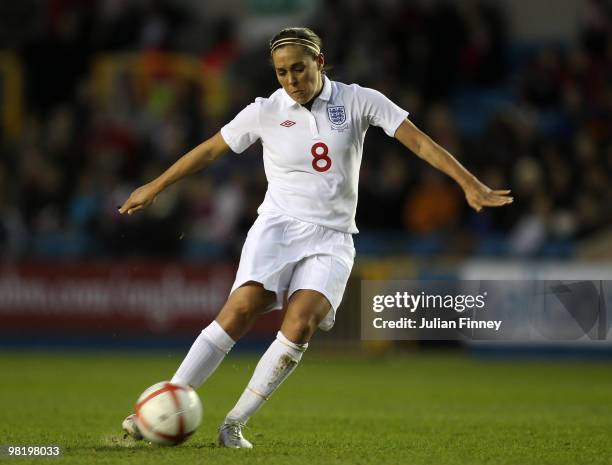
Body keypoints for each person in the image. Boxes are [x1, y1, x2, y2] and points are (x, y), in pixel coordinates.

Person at [119, 27, 513, 448]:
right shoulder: (265, 110)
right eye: (282, 72)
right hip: (278, 226)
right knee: (242, 307)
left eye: (299, 69)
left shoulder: (360, 100)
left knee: (301, 324)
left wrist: (468, 183)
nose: (291, 80)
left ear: (320, 63)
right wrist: (155, 186)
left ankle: (233, 424)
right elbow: (211, 149)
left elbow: (418, 142)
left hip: (333, 237)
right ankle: (164, 402)